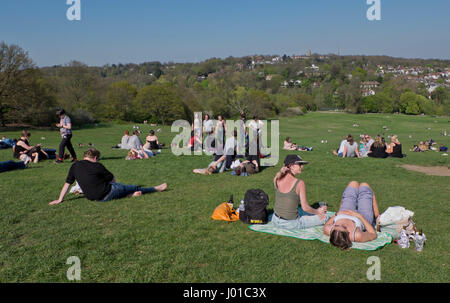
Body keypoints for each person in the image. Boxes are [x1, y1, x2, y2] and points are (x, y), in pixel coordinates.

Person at [49, 148, 167, 205]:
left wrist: (60, 199)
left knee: (120, 189)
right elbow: (112, 179)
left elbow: (67, 184)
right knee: (131, 187)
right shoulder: (97, 165)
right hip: (108, 193)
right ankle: (156, 188)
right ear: (95, 158)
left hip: (95, 198)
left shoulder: (74, 166)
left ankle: (130, 195)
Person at [271, 155, 329, 229]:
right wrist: (318, 211)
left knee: (300, 210)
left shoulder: (276, 179)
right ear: (291, 166)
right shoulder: (299, 183)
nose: (302, 167)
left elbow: (279, 174)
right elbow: (305, 208)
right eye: (300, 164)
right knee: (325, 217)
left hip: (275, 220)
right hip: (291, 224)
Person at [323, 181, 380, 249]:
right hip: (362, 218)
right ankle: (376, 215)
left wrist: (337, 214)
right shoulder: (357, 235)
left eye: (336, 225)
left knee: (353, 184)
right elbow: (373, 234)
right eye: (344, 227)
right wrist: (360, 216)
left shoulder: (328, 229)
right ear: (348, 234)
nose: (341, 224)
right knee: (364, 186)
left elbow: (327, 224)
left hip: (344, 212)